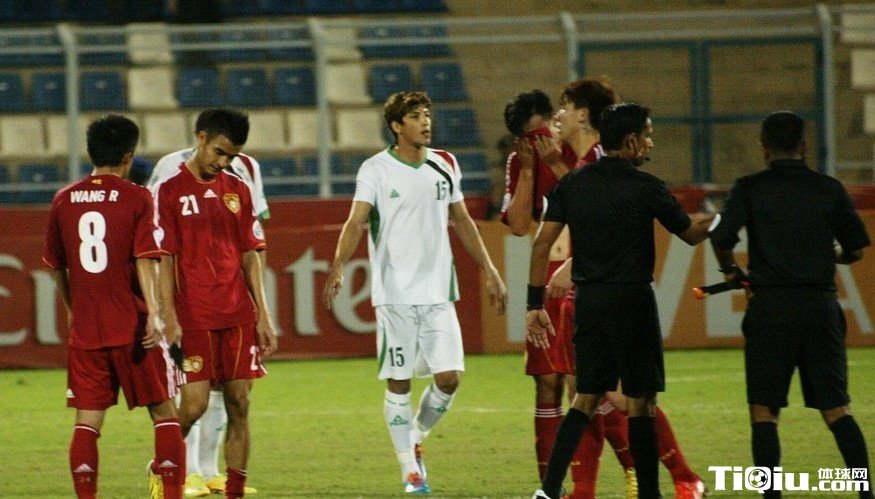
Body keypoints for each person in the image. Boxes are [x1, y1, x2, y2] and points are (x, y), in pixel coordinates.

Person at [322, 90, 508, 495]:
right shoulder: (375, 169)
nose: (426, 122)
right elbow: (356, 222)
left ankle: (416, 434)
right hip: (395, 295)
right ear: (396, 126)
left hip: (439, 292)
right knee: (399, 381)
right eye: (416, 116)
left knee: (450, 379)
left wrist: (490, 268)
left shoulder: (445, 164)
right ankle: (410, 470)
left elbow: (462, 220)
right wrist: (338, 265)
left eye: (427, 114)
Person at [526, 103, 714, 499]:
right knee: (641, 401)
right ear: (630, 141)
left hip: (590, 302)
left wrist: (533, 305)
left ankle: (548, 491)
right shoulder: (647, 186)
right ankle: (649, 493)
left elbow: (542, 244)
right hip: (633, 303)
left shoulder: (573, 185)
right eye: (647, 135)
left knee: (585, 398)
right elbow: (690, 235)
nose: (650, 143)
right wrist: (725, 219)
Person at [709, 111, 873, 499]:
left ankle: (772, 495)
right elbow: (857, 248)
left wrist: (732, 272)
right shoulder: (828, 189)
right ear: (805, 145)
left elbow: (721, 238)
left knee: (764, 412)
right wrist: (830, 255)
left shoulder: (750, 188)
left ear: (764, 148)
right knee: (837, 410)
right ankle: (865, 493)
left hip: (770, 310)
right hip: (819, 308)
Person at [42, 115, 184, 499]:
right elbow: (145, 257)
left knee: (87, 424)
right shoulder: (138, 197)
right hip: (133, 326)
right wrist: (155, 313)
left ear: (91, 152)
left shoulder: (63, 199)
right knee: (164, 415)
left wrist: (72, 308)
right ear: (128, 157)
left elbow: (55, 265)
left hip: (88, 330)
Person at [152, 108, 278, 499]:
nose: (223, 162)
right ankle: (162, 467)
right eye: (219, 152)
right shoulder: (169, 190)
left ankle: (234, 488)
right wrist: (169, 317)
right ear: (201, 138)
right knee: (194, 405)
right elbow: (164, 259)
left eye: (231, 156)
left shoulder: (238, 189)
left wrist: (264, 315)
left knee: (240, 402)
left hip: (237, 314)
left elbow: (251, 254)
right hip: (194, 315)